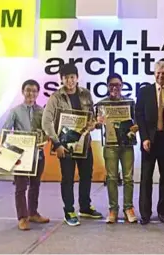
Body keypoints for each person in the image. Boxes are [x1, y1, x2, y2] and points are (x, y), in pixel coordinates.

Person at [42, 63, 102, 226]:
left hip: (84, 143)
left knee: (86, 175)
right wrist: (56, 143)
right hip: (64, 145)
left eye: (72, 77)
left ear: (77, 77)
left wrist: (95, 124)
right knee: (68, 178)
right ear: (62, 79)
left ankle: (84, 207)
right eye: (66, 77)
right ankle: (69, 210)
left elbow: (92, 118)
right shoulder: (56, 97)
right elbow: (46, 122)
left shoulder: (86, 94)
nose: (69, 80)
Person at [0, 79, 49, 230]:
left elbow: (46, 131)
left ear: (38, 93)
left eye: (34, 90)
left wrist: (47, 139)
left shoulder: (42, 111)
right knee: (20, 187)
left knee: (35, 185)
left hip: (38, 154)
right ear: (23, 92)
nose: (31, 93)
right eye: (28, 90)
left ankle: (33, 213)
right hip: (21, 156)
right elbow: (5, 129)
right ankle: (22, 217)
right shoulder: (15, 111)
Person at [135, 61, 164, 224]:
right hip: (149, 140)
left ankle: (162, 211)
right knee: (146, 178)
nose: (161, 76)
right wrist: (144, 138)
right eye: (159, 73)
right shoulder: (144, 91)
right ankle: (145, 213)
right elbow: (139, 115)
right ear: (154, 73)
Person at [96, 73, 138, 223]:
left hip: (127, 145)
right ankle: (113, 209)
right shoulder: (101, 104)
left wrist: (134, 128)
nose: (115, 88)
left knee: (128, 178)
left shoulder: (130, 102)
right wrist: (97, 123)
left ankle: (128, 208)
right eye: (111, 85)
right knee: (112, 178)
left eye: (117, 85)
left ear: (122, 85)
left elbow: (138, 122)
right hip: (110, 145)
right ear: (107, 87)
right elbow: (95, 125)